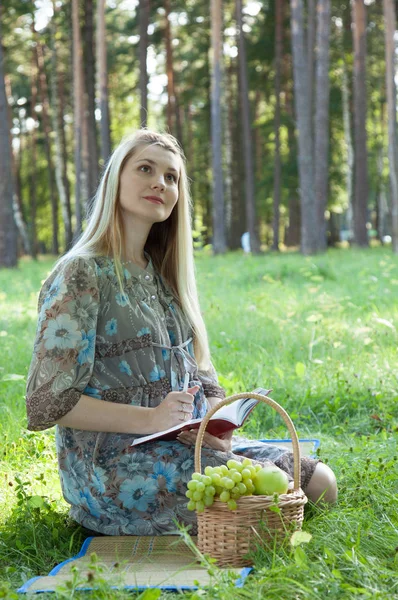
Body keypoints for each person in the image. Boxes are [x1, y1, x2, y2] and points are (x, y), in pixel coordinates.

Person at [25, 129, 337, 537]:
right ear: (116, 179)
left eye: (171, 177)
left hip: (181, 445)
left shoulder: (162, 274)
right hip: (110, 464)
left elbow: (202, 377)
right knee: (265, 503)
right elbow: (47, 404)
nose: (160, 183)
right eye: (145, 169)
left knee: (319, 483)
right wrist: (151, 418)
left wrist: (213, 425)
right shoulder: (81, 273)